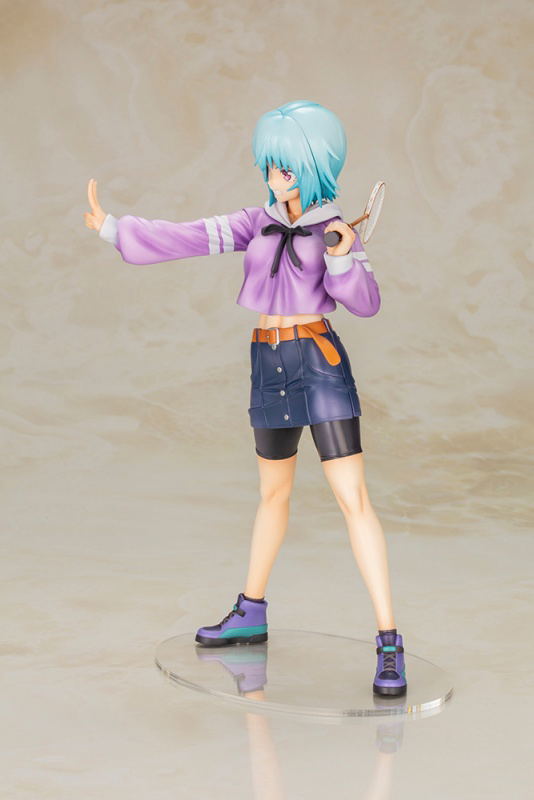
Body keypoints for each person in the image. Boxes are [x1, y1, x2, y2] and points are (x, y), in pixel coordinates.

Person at [84, 100, 407, 696]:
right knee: (272, 494)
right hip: (267, 363)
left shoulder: (335, 230)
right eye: (270, 165)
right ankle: (250, 612)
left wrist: (341, 257)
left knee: (353, 499)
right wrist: (114, 229)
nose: (273, 175)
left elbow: (366, 303)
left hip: (319, 362)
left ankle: (389, 641)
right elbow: (192, 236)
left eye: (285, 166)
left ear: (313, 166)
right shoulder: (257, 222)